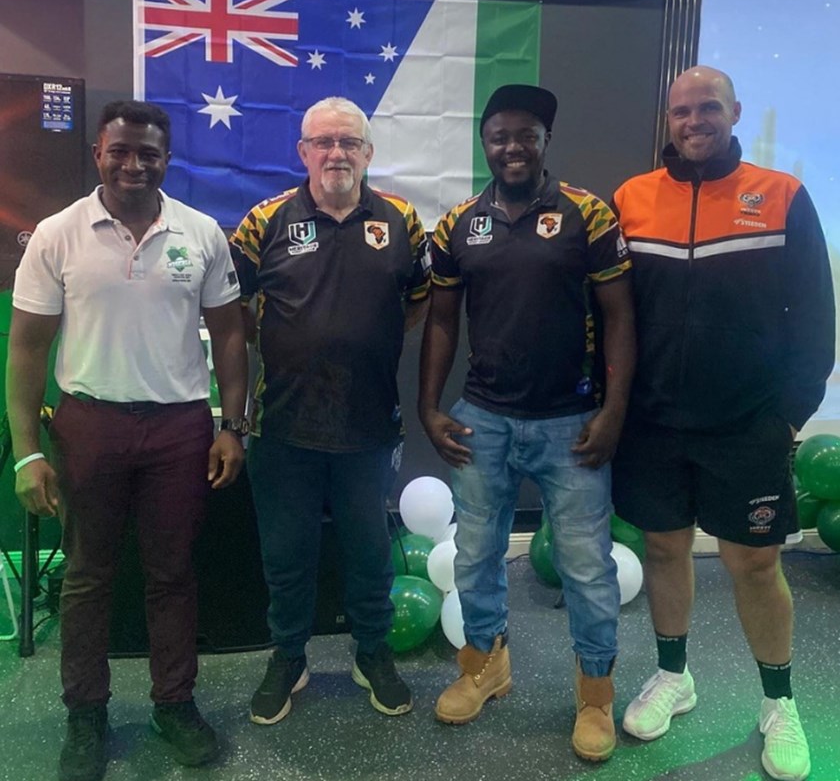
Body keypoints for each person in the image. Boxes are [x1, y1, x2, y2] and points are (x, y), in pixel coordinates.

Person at [7, 99, 249, 781]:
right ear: (99, 154)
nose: (134, 163)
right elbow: (26, 351)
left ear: (166, 160)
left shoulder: (200, 233)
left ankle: (174, 704)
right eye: (121, 151)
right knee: (86, 578)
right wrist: (27, 452)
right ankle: (86, 715)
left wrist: (233, 425)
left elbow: (231, 334)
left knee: (172, 574)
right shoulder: (57, 235)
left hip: (179, 427)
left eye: (148, 153)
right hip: (90, 424)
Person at [611, 66, 834, 781]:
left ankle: (779, 702)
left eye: (708, 106)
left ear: (734, 112)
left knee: (755, 564)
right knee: (666, 552)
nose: (694, 119)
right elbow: (608, 317)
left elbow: (815, 321)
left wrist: (785, 419)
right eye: (682, 109)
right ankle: (676, 677)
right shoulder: (632, 200)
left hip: (747, 428)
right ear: (668, 119)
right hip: (653, 426)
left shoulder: (782, 196)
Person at [418, 84, 636, 762]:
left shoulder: (586, 214)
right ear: (485, 142)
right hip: (484, 419)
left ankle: (595, 697)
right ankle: (485, 668)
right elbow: (444, 321)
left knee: (587, 569)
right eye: (499, 136)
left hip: (570, 423)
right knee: (478, 554)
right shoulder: (459, 222)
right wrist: (430, 406)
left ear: (545, 142)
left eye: (525, 136)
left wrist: (613, 411)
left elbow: (622, 317)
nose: (511, 147)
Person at [228, 96, 430, 726]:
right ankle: (289, 657)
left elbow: (419, 303)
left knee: (370, 554)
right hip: (283, 426)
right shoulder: (264, 221)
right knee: (287, 557)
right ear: (303, 151)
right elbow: (234, 314)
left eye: (349, 142)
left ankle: (373, 654)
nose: (336, 153)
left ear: (368, 153)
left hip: (368, 427)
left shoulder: (402, 220)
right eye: (324, 142)